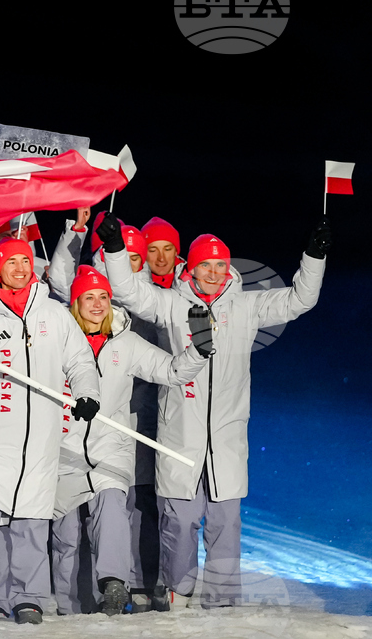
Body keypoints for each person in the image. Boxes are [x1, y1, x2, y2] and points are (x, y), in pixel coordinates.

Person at [96, 212, 330, 609]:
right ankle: (177, 592)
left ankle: (222, 599)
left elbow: (300, 299)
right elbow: (129, 292)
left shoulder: (246, 306)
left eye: (221, 265)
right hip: (180, 435)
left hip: (226, 437)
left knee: (225, 525)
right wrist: (116, 249)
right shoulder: (172, 305)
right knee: (180, 523)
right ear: (193, 267)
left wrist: (314, 257)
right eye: (206, 265)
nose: (214, 272)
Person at [51, 265, 210, 615]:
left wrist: (198, 350)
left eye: (103, 297)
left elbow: (170, 372)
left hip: (111, 447)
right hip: (63, 450)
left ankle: (113, 583)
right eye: (89, 297)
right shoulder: (56, 341)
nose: (97, 305)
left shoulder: (126, 341)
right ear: (75, 303)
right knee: (65, 534)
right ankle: (65, 604)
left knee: (111, 507)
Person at [0, 237, 101, 625]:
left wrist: (87, 394)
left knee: (32, 520)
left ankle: (29, 598)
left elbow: (81, 362)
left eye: (26, 260)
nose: (21, 268)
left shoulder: (54, 315)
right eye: (12, 262)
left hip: (39, 438)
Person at [141, 217, 184, 288]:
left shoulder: (195, 282)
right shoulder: (134, 283)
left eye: (167, 249)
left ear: (176, 251)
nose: (161, 258)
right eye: (153, 250)